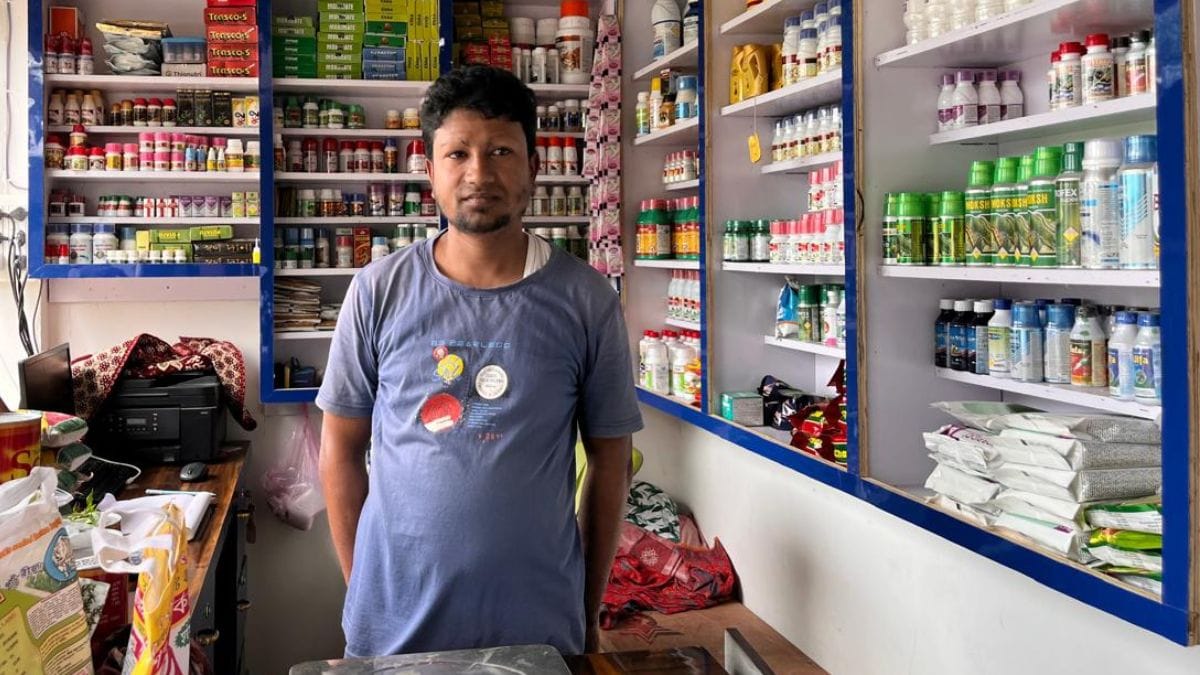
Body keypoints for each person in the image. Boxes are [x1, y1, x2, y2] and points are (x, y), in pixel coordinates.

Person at [316, 65, 643, 659]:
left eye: (500, 152)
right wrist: (363, 589)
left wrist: (587, 608)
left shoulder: (586, 300)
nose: (479, 174)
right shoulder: (377, 291)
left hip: (537, 628)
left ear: (534, 166)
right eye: (458, 153)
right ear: (430, 170)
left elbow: (610, 460)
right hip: (394, 632)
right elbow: (339, 450)